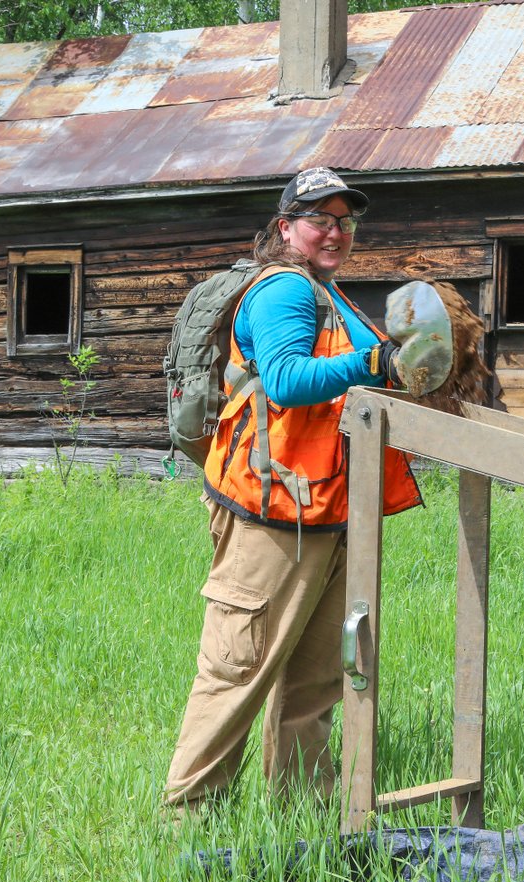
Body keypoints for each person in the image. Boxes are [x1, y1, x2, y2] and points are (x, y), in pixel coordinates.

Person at [163, 168, 422, 812]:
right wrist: (375, 362)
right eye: (319, 220)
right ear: (286, 228)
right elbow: (282, 379)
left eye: (345, 221)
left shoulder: (333, 296)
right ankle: (186, 823)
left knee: (314, 686)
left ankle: (296, 827)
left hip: (329, 511)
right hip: (272, 517)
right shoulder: (284, 290)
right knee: (237, 671)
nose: (335, 232)